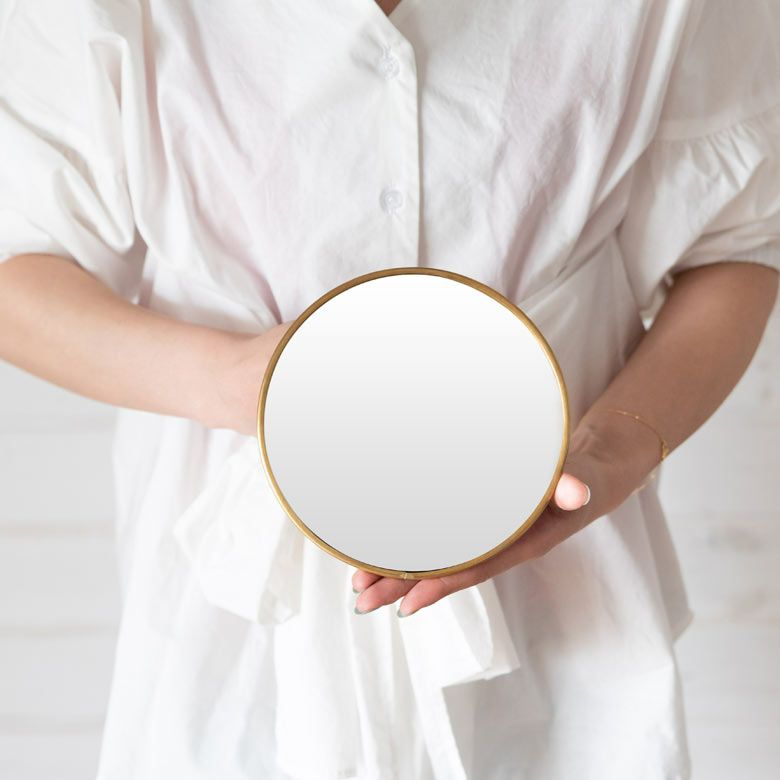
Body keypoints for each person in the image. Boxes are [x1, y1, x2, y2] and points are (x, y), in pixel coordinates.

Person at [1, 1, 778, 778]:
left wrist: (611, 449)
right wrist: (246, 381)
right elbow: (17, 268)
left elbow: (737, 240)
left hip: (564, 585)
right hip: (232, 621)